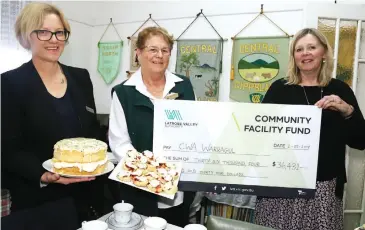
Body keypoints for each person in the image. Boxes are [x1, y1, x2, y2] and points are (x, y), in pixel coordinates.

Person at [1, 2, 105, 221]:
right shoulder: (10, 83)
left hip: (86, 197)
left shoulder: (81, 78)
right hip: (39, 202)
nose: (54, 39)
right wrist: (43, 175)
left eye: (60, 33)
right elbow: (8, 150)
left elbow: (93, 132)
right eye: (44, 32)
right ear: (26, 36)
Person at [255, 28, 365, 229]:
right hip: (281, 186)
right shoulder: (279, 89)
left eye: (311, 47)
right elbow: (260, 135)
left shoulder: (340, 90)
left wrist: (347, 111)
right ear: (293, 56)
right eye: (299, 49)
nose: (305, 53)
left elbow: (361, 141)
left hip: (323, 188)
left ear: (323, 53)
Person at [108, 26, 195, 227]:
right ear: (138, 53)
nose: (159, 55)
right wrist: (158, 176)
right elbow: (119, 144)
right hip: (140, 189)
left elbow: (194, 131)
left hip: (180, 187)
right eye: (152, 49)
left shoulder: (185, 86)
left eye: (165, 50)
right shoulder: (123, 92)